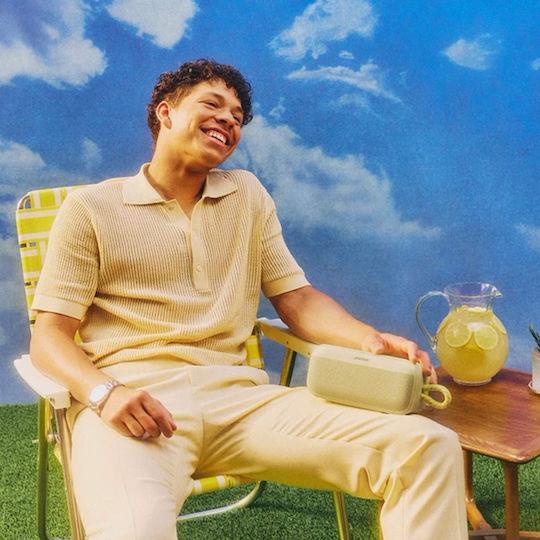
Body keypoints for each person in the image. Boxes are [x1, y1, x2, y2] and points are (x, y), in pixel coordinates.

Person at [30, 59, 467, 539]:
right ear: (166, 112)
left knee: (427, 448)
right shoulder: (90, 208)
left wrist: (371, 341)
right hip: (135, 404)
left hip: (243, 402)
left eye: (237, 117)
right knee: (135, 530)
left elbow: (297, 298)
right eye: (213, 105)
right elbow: (49, 337)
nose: (228, 120)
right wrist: (104, 393)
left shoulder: (248, 195)